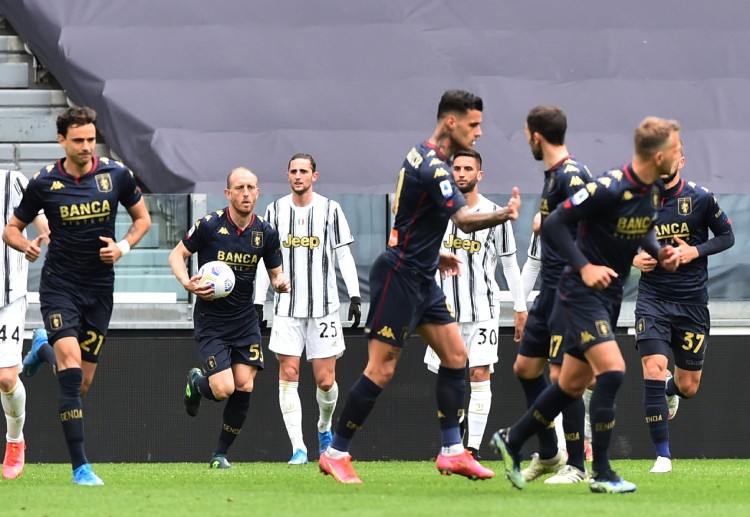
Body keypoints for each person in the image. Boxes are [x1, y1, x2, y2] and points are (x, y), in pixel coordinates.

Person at [319, 89, 520, 484]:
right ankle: (336, 452)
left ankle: (453, 451)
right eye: (474, 124)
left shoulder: (418, 154)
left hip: (422, 274)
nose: (479, 132)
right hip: (400, 277)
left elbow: (406, 214)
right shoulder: (435, 168)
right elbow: (463, 220)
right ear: (451, 122)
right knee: (380, 370)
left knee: (456, 356)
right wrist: (504, 214)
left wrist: (431, 252)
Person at [491, 116, 682, 494]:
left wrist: (660, 252)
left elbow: (642, 226)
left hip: (608, 295)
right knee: (612, 371)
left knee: (571, 383)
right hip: (579, 292)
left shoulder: (652, 189)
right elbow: (555, 224)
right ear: (659, 155)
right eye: (677, 149)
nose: (681, 155)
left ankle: (512, 439)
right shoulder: (609, 186)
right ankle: (602, 472)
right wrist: (585, 266)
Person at [2, 106, 152, 485]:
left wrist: (122, 247)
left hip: (99, 289)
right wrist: (25, 246)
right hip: (60, 287)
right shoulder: (44, 182)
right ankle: (81, 467)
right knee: (70, 376)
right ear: (62, 141)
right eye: (78, 140)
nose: (86, 146)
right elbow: (11, 229)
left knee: (82, 382)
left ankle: (42, 349)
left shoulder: (116, 175)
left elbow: (143, 219)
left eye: (91, 139)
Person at [170, 167, 290, 469]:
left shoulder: (266, 232)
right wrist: (186, 282)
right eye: (239, 188)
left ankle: (220, 455)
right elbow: (177, 255)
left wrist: (279, 282)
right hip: (212, 320)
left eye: (251, 187)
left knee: (244, 385)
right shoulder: (210, 225)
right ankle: (196, 382)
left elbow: (276, 273)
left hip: (244, 320)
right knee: (223, 389)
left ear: (258, 192)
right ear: (228, 193)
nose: (246, 193)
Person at [253, 153, 361, 465]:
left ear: (314, 176)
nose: (298, 176)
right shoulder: (274, 211)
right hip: (287, 308)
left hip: (324, 308)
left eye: (303, 171)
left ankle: (324, 427)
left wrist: (354, 295)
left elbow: (343, 255)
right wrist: (259, 301)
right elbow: (265, 261)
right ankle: (298, 448)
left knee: (325, 381)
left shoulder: (331, 209)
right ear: (288, 175)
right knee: (289, 373)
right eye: (293, 171)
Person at [632, 148, 733, 474]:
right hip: (653, 300)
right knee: (653, 367)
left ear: (682, 161)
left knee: (688, 386)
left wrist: (695, 251)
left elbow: (727, 236)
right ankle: (663, 456)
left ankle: (669, 389)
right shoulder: (637, 199)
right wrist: (633, 258)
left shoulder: (701, 198)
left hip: (691, 303)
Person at [423, 149, 527, 459]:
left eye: (468, 168)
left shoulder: (495, 214)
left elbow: (510, 264)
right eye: (457, 168)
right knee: (450, 378)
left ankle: (472, 449)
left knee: (480, 374)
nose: (461, 173)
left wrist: (520, 308)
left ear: (479, 174)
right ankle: (454, 442)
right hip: (444, 312)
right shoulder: (436, 211)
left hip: (483, 309)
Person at [511, 105, 594, 484]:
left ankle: (576, 465)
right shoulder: (553, 176)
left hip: (568, 290)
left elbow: (593, 225)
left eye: (526, 133)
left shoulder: (572, 175)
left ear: (536, 136)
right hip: (549, 290)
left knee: (564, 376)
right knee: (526, 369)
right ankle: (549, 453)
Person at [0, 169, 48, 480]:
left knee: (6, 378)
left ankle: (15, 441)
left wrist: (43, 239)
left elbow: (42, 223)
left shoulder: (12, 180)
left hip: (8, 294)